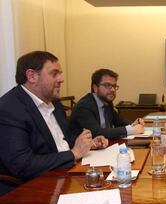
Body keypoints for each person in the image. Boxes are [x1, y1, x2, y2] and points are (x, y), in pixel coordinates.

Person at [0, 51, 108, 195]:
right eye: (54, 73)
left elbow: (64, 140)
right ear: (32, 76)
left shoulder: (54, 103)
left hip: (64, 175)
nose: (61, 79)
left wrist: (89, 143)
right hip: (31, 190)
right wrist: (74, 153)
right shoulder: (9, 109)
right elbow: (22, 164)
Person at [69, 69, 144, 139]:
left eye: (114, 86)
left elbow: (119, 121)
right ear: (95, 88)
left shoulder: (107, 102)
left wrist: (134, 124)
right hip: (85, 151)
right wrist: (130, 130)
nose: (112, 90)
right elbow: (96, 132)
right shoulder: (84, 106)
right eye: (107, 85)